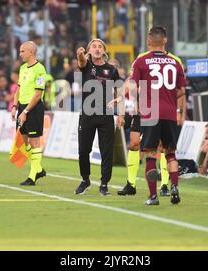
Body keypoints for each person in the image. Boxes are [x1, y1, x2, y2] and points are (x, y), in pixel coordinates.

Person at [129, 26, 186, 205]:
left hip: (150, 112)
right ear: (165, 41)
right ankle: (174, 186)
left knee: (150, 154)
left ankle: (153, 196)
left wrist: (139, 103)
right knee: (170, 153)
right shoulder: (175, 62)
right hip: (169, 113)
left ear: (148, 41)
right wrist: (168, 98)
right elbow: (181, 90)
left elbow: (132, 86)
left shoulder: (141, 61)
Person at [74, 38, 123, 196]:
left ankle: (104, 184)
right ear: (89, 51)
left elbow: (120, 91)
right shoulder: (87, 65)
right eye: (93, 46)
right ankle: (85, 180)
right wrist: (80, 54)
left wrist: (120, 110)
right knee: (83, 150)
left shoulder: (112, 69)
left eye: (99, 46)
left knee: (106, 151)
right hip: (87, 114)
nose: (96, 49)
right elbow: (81, 62)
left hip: (106, 116)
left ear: (104, 51)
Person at [11, 41, 47, 186]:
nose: (20, 54)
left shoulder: (40, 70)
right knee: (23, 141)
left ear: (31, 52)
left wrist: (26, 111)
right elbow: (18, 90)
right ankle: (38, 169)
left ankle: (32, 177)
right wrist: (15, 106)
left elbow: (38, 94)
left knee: (35, 141)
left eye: (22, 51)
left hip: (34, 109)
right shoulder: (22, 68)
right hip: (22, 108)